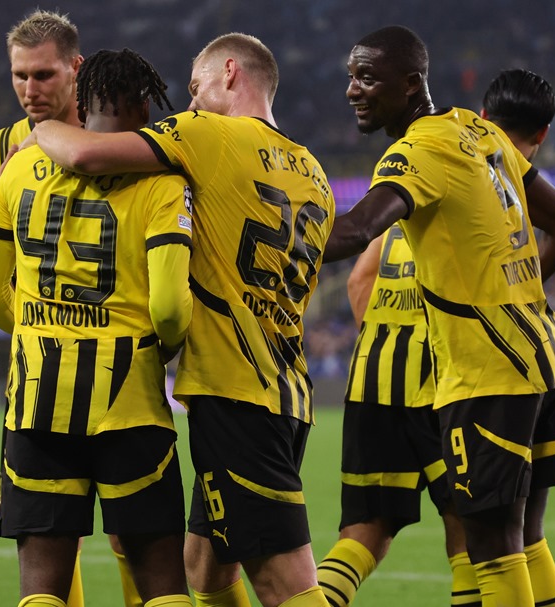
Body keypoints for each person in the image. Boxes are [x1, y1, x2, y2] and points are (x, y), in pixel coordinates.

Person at [24, 33, 336, 607]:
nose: (189, 104)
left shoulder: (209, 135)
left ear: (232, 72)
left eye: (196, 88)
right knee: (207, 567)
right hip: (289, 390)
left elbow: (89, 154)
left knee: (284, 584)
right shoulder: (313, 170)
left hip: (236, 393)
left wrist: (40, 126)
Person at [323, 25, 555, 606]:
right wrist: (517, 294)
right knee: (519, 538)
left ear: (412, 82)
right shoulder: (477, 130)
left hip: (486, 371)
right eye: (350, 76)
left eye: (366, 77)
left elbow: (356, 231)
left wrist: (269, 232)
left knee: (490, 548)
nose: (351, 90)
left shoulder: (418, 152)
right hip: (541, 354)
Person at [0, 48, 194, 607]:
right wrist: (162, 349)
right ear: (144, 105)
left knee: (43, 584)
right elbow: (169, 306)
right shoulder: (161, 180)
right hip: (129, 402)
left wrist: (38, 331)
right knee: (161, 582)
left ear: (83, 96)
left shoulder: (19, 166)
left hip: (37, 400)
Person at [316, 221, 476, 607]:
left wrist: (386, 347)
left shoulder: (397, 204)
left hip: (373, 380)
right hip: (444, 384)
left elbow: (359, 281)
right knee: (472, 530)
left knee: (363, 534)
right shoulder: (468, 187)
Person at [481, 68, 555, 607]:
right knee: (529, 533)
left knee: (495, 540)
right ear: (543, 135)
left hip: (500, 366)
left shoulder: (475, 173)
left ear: (484, 118)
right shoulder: (524, 189)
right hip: (550, 352)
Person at [0, 9, 82, 211]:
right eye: (21, 76)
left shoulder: (110, 135)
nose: (31, 91)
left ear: (76, 67)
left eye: (43, 75)